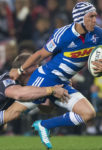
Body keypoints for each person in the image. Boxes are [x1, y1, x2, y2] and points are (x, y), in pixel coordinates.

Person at [9, 1, 102, 149]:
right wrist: (20, 70)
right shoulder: (63, 34)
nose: (94, 20)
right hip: (45, 78)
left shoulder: (98, 34)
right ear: (80, 18)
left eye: (95, 16)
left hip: (63, 83)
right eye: (91, 16)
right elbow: (40, 54)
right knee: (12, 112)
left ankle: (43, 125)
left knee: (89, 114)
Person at [0, 52, 69, 150]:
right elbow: (19, 94)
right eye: (35, 65)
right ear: (24, 69)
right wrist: (51, 90)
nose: (39, 68)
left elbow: (43, 107)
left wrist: (53, 100)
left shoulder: (25, 84)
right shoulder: (8, 81)